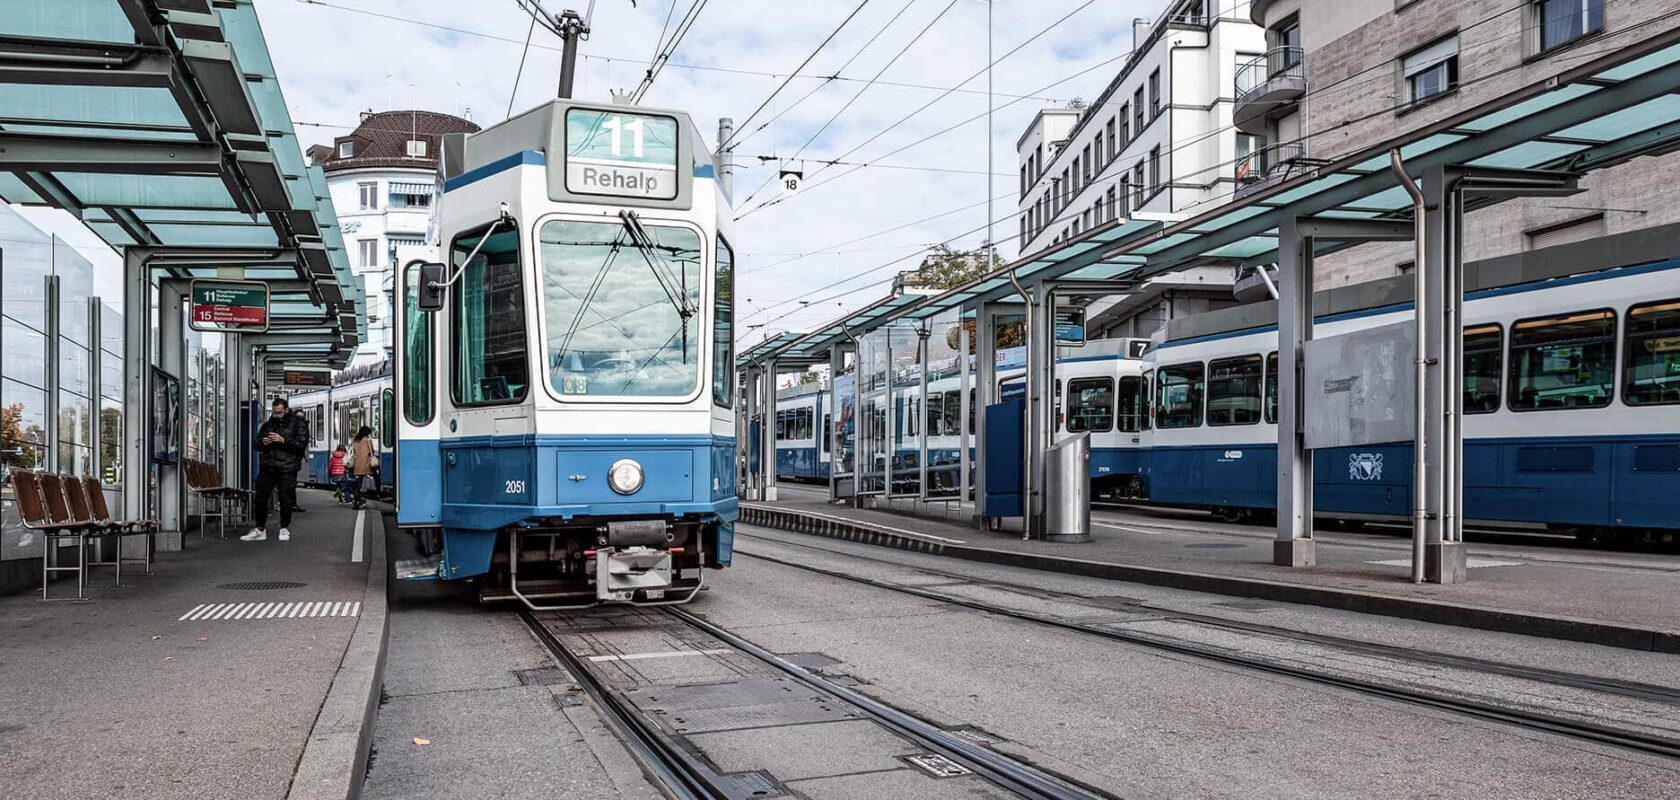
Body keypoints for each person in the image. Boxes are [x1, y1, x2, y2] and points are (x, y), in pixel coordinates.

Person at [243, 398, 309, 542]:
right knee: (260, 497)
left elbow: (301, 445)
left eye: (279, 413)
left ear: (286, 410)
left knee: (286, 499)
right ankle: (260, 529)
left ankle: (284, 528)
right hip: (268, 466)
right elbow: (256, 444)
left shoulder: (299, 424)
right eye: (274, 413)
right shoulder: (268, 425)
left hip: (287, 467)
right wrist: (263, 442)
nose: (276, 415)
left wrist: (283, 440)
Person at [349, 425, 374, 510]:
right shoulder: (367, 440)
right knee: (360, 484)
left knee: (358, 484)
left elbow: (353, 452)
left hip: (357, 465)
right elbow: (371, 452)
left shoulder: (356, 441)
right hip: (365, 465)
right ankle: (359, 501)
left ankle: (356, 502)